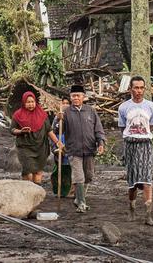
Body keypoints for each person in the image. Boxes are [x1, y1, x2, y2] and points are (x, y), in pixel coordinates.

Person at [53, 83, 104, 213]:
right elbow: (58, 130)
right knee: (78, 176)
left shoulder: (91, 111)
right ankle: (81, 203)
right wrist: (59, 121)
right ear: (70, 98)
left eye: (78, 96)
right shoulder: (66, 112)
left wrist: (101, 143)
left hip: (89, 149)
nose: (76, 98)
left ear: (83, 97)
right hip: (73, 150)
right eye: (73, 96)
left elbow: (98, 129)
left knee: (88, 176)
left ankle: (79, 198)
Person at [118, 75, 153, 226]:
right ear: (130, 89)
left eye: (142, 88)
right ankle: (131, 208)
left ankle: (148, 215)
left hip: (146, 145)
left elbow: (152, 126)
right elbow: (123, 128)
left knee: (147, 179)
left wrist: (142, 136)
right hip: (130, 145)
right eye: (136, 88)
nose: (139, 91)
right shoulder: (123, 107)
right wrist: (133, 136)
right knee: (133, 181)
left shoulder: (151, 107)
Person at [11, 90, 51, 185]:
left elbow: (49, 130)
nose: (31, 104)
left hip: (40, 147)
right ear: (24, 102)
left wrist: (58, 142)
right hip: (25, 147)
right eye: (28, 102)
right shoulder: (18, 115)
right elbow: (12, 129)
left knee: (38, 171)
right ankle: (27, 191)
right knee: (28, 169)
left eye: (32, 102)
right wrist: (20, 131)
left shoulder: (42, 114)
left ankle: (36, 193)